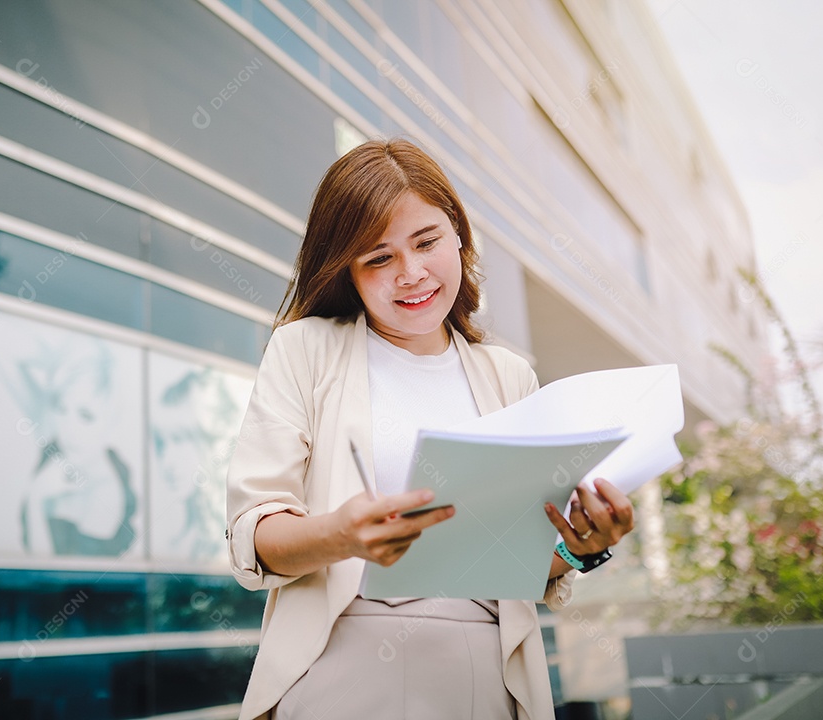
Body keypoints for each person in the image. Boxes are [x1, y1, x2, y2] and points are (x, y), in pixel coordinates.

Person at [226, 139, 635, 719]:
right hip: (341, 664)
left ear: (459, 236)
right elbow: (256, 538)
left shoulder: (508, 375)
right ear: (348, 269)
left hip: (484, 672)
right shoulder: (306, 350)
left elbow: (511, 561)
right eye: (378, 258)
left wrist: (578, 548)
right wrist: (341, 536)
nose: (412, 274)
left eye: (427, 242)